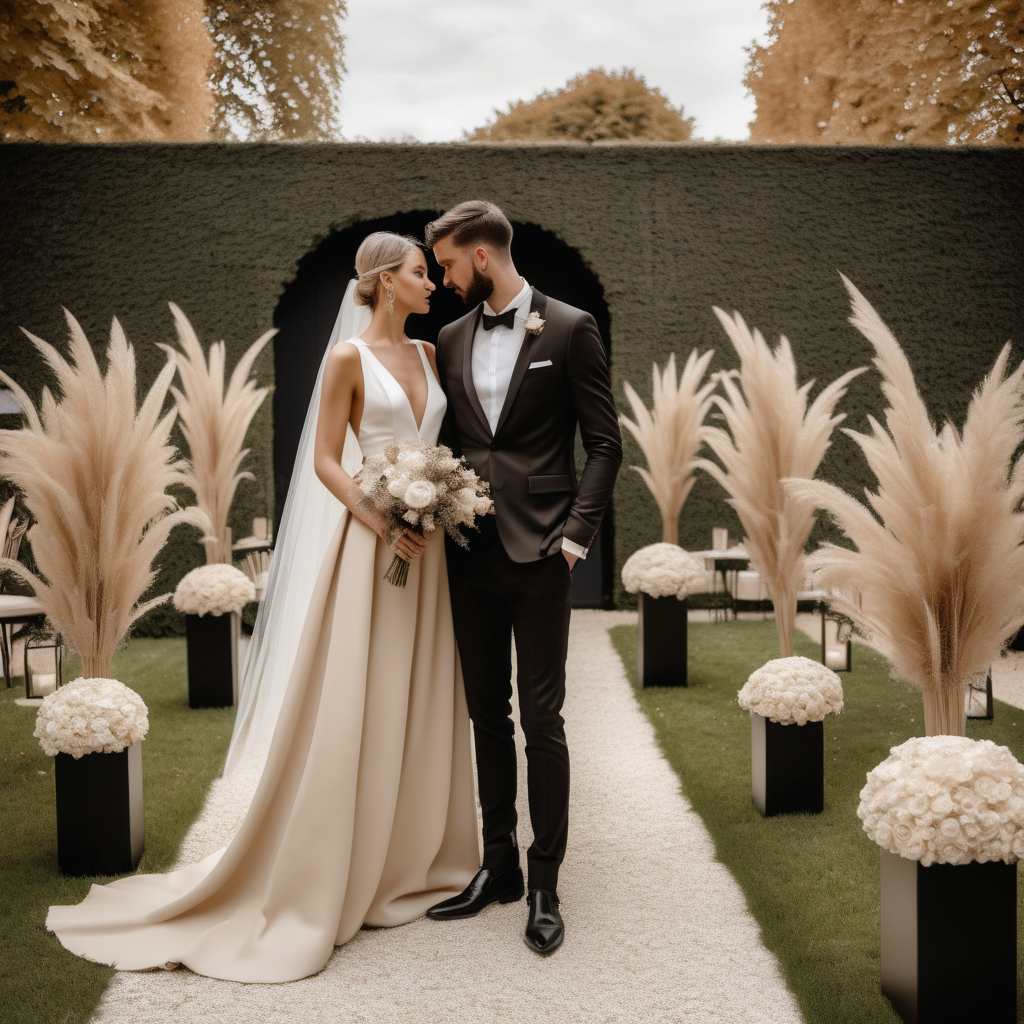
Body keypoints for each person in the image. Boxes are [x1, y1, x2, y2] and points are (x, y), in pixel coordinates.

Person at [45, 233, 480, 984]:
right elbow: (323, 459)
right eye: (419, 272)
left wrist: (434, 509)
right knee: (357, 699)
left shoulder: (436, 356)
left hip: (430, 551)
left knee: (424, 697)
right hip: (372, 546)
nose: (432, 283)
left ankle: (412, 859)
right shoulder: (347, 360)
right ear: (381, 283)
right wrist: (383, 520)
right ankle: (334, 859)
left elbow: (444, 447)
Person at [425, 201, 622, 955]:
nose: (441, 280)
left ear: (480, 256)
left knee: (543, 721)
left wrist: (575, 540)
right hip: (467, 554)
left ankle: (546, 882)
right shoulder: (447, 339)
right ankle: (498, 866)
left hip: (544, 555)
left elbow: (604, 444)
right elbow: (446, 442)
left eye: (446, 264)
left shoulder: (571, 327)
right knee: (487, 715)